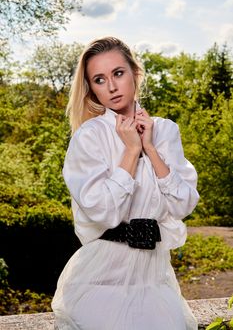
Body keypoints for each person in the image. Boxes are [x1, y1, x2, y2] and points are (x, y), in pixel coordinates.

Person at [52, 36, 199, 330]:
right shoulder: (89, 136)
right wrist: (131, 151)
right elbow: (103, 212)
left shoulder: (165, 130)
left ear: (135, 72)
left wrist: (151, 149)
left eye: (118, 73)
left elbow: (184, 203)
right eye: (99, 79)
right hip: (103, 276)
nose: (111, 86)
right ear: (91, 88)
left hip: (154, 277)